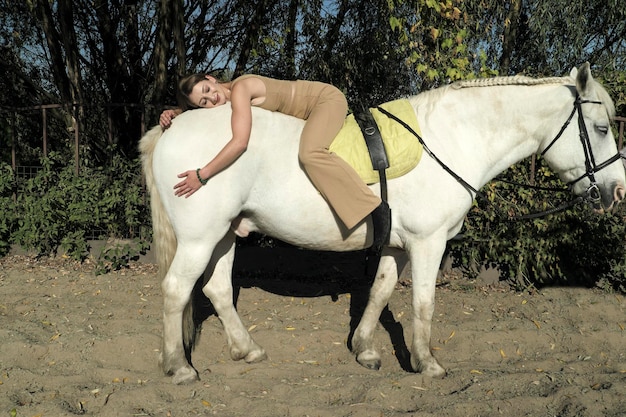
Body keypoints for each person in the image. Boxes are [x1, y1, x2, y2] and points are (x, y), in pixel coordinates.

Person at [159, 73, 390, 249]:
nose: (211, 97)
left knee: (310, 153)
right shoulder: (229, 97)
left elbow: (240, 142)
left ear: (211, 78)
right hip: (308, 112)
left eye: (207, 89)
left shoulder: (240, 89)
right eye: (204, 102)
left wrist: (203, 174)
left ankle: (374, 208)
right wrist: (177, 113)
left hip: (325, 101)